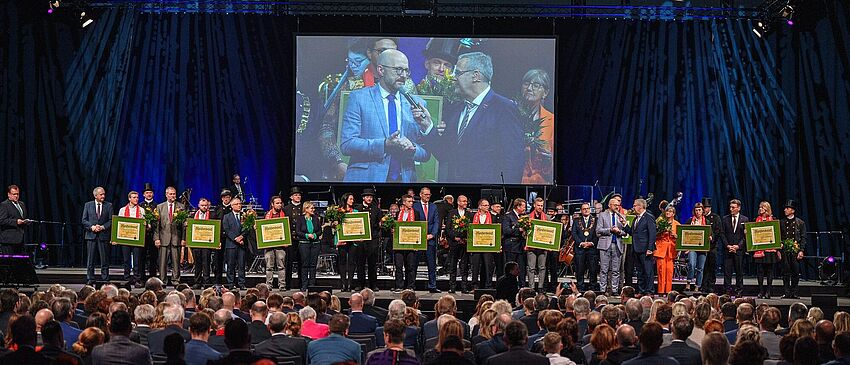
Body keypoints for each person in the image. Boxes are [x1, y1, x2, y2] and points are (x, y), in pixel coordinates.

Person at [420, 51, 526, 184]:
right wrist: (428, 126)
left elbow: (513, 162)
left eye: (457, 73)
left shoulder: (503, 108)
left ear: (476, 76)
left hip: (487, 199)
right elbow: (445, 153)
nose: (452, 77)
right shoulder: (456, 109)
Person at [339, 49, 432, 183]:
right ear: (381, 70)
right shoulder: (359, 98)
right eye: (398, 70)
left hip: (404, 182)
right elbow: (347, 144)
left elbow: (426, 153)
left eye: (407, 70)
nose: (404, 75)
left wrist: (412, 148)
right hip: (366, 180)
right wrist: (384, 144)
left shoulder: (417, 104)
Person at [517, 69, 554, 185]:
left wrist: (549, 159)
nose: (529, 88)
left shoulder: (551, 120)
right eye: (526, 84)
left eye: (536, 85)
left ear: (545, 93)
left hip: (540, 182)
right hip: (514, 180)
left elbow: (553, 157)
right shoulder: (511, 113)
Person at [154, 186, 186, 286]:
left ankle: (175, 281)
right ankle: (162, 281)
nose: (173, 196)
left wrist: (183, 239)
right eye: (171, 194)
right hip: (163, 238)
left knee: (176, 262)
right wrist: (157, 238)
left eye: (174, 194)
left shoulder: (181, 206)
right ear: (166, 194)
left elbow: (184, 226)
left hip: (176, 238)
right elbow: (157, 225)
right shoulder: (160, 207)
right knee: (162, 262)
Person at [596, 197, 627, 295]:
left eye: (618, 205)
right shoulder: (602, 215)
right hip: (605, 245)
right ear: (609, 205)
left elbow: (625, 232)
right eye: (615, 205)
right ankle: (602, 289)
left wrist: (619, 231)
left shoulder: (621, 216)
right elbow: (598, 230)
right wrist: (610, 230)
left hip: (617, 245)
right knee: (604, 269)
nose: (617, 207)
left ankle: (614, 290)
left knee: (616, 270)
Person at [412, 187, 441, 293]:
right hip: (418, 240)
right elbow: (413, 222)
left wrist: (432, 235)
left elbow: (436, 222)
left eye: (429, 194)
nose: (427, 196)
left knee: (431, 264)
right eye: (425, 194)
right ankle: (412, 285)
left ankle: (432, 286)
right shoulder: (415, 206)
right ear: (420, 195)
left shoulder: (433, 206)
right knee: (414, 263)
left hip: (430, 239)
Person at [82, 186, 113, 284]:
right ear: (95, 195)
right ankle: (90, 278)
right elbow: (84, 220)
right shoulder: (88, 205)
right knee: (90, 259)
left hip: (103, 235)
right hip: (91, 235)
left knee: (104, 259)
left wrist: (102, 227)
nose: (103, 196)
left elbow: (111, 220)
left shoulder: (109, 205)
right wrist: (92, 227)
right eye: (101, 194)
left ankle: (105, 278)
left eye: (104, 194)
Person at [356, 188, 383, 290]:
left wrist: (383, 223)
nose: (369, 198)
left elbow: (379, 223)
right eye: (367, 197)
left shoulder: (376, 209)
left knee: (372, 263)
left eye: (371, 197)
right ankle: (360, 284)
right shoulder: (358, 209)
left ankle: (373, 284)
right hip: (361, 238)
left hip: (373, 238)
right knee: (360, 263)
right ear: (363, 198)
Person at [780, 199, 807, 299]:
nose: (785, 210)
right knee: (785, 272)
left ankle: (794, 292)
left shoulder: (800, 223)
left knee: (795, 272)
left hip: (795, 250)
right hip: (785, 250)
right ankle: (787, 292)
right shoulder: (781, 222)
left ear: (793, 210)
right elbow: (779, 237)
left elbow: (803, 237)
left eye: (787, 208)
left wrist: (801, 250)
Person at [721, 199, 749, 295]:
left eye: (733, 207)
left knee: (739, 272)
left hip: (739, 250)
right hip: (728, 250)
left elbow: (745, 237)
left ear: (739, 208)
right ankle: (727, 291)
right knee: (727, 272)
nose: (731, 209)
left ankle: (739, 291)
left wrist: (738, 246)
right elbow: (722, 234)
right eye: (730, 207)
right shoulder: (725, 219)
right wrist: (727, 245)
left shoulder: (745, 220)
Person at [447, 195, 474, 293]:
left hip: (465, 243)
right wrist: (455, 238)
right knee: (453, 265)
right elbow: (448, 228)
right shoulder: (452, 213)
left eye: (466, 201)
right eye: (463, 201)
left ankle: (464, 287)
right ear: (458, 202)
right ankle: (452, 287)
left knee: (464, 265)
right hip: (454, 242)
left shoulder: (469, 214)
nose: (465, 203)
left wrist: (465, 238)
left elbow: (471, 228)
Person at [752, 201, 779, 298]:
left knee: (769, 271)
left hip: (769, 251)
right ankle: (760, 291)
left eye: (762, 207)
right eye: (760, 207)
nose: (760, 209)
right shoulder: (756, 220)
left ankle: (768, 292)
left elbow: (776, 233)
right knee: (760, 271)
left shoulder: (773, 219)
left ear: (767, 208)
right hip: (759, 250)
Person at [336, 192, 361, 292]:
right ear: (345, 199)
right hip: (342, 240)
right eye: (350, 199)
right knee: (342, 262)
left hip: (353, 240)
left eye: (353, 199)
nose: (352, 201)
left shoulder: (355, 211)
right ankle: (343, 284)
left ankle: (350, 284)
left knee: (352, 262)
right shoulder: (339, 211)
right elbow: (336, 226)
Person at [295, 201, 322, 291]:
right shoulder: (300, 219)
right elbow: (298, 231)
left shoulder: (316, 219)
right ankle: (304, 285)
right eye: (311, 208)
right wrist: (307, 235)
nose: (313, 210)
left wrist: (314, 235)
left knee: (313, 265)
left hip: (315, 244)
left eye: (313, 208)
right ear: (306, 209)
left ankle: (312, 285)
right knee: (305, 265)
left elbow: (319, 231)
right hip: (304, 244)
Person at [222, 197, 248, 290]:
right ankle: (231, 284)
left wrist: (242, 236)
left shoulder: (244, 216)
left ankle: (241, 283)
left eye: (240, 204)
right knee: (231, 265)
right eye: (237, 204)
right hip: (231, 245)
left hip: (242, 244)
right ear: (232, 206)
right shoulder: (227, 216)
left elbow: (247, 227)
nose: (239, 205)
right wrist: (235, 238)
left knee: (241, 265)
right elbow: (227, 229)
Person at [470, 199, 496, 290]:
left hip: (488, 245)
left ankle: (488, 285)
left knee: (488, 266)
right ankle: (474, 286)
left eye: (488, 205)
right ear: (480, 206)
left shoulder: (492, 217)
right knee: (476, 266)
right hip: (476, 245)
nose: (487, 207)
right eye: (485, 205)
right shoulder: (473, 216)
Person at [282, 186, 305, 290]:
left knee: (301, 261)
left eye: (299, 195)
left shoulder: (304, 207)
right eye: (296, 195)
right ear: (291, 197)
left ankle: (302, 284)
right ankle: (288, 284)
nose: (298, 196)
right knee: (289, 262)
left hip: (301, 238)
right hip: (290, 239)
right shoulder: (286, 208)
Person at [572, 203, 598, 292]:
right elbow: (574, 234)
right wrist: (581, 243)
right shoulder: (576, 221)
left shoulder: (596, 220)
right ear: (581, 210)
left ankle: (593, 286)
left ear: (590, 210)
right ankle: (580, 287)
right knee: (579, 269)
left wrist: (591, 243)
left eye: (587, 208)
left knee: (593, 268)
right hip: (580, 248)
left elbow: (597, 234)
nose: (586, 210)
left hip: (592, 248)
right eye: (584, 209)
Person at [189, 198, 213, 289]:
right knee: (197, 263)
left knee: (206, 263)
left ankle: (206, 282)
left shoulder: (212, 215)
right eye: (202, 205)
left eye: (206, 205)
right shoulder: (193, 215)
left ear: (208, 206)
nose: (204, 207)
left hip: (207, 244)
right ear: (198, 206)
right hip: (196, 243)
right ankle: (197, 282)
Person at [264, 195, 287, 290]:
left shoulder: (284, 215)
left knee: (281, 266)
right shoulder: (267, 215)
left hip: (280, 245)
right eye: (277, 203)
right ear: (272, 204)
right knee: (269, 267)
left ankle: (282, 285)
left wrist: (287, 241)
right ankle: (269, 285)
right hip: (269, 245)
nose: (279, 205)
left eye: (280, 203)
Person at [700, 198, 723, 293]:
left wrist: (712, 237)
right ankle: (703, 285)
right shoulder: (699, 218)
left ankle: (711, 286)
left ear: (709, 208)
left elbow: (719, 231)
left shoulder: (716, 217)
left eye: (706, 207)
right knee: (703, 267)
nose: (704, 209)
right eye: (703, 207)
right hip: (701, 247)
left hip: (712, 246)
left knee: (712, 267)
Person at [503, 198, 528, 286]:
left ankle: (522, 287)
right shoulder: (508, 216)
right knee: (510, 269)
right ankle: (509, 286)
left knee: (521, 269)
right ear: (518, 206)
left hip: (521, 247)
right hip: (511, 246)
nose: (525, 209)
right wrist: (519, 230)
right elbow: (506, 230)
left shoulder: (523, 217)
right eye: (523, 207)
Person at [526, 198, 549, 291]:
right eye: (538, 205)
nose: (540, 207)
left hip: (543, 247)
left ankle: (540, 287)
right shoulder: (528, 217)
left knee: (542, 268)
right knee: (531, 268)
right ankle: (531, 287)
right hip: (531, 247)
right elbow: (524, 232)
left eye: (541, 205)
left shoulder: (547, 218)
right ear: (534, 205)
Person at [654, 205, 678, 295]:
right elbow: (655, 235)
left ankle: (668, 291)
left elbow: (680, 238)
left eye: (670, 211)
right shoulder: (660, 222)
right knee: (661, 271)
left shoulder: (677, 224)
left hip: (671, 250)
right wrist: (660, 232)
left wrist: (675, 236)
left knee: (669, 271)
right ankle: (660, 291)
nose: (668, 213)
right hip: (661, 249)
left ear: (673, 214)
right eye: (667, 211)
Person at [138, 183, 159, 284]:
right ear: (144, 194)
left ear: (153, 194)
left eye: (150, 192)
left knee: (153, 257)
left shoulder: (157, 206)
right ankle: (142, 278)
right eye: (147, 192)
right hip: (142, 235)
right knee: (141, 257)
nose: (149, 194)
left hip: (153, 235)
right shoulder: (140, 206)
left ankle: (152, 279)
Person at [685, 203, 707, 292]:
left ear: (702, 211)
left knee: (700, 268)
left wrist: (710, 237)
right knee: (692, 264)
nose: (698, 212)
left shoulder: (706, 221)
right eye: (696, 210)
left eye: (699, 210)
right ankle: (688, 283)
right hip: (692, 247)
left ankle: (697, 286)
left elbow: (711, 233)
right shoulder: (690, 221)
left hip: (702, 248)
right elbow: (684, 233)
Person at [0, 185, 29, 254]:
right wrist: (16, 222)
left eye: (17, 194)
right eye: (14, 194)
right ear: (9, 194)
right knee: (9, 263)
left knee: (20, 262)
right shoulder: (4, 205)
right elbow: (1, 220)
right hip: (9, 240)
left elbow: (22, 218)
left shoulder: (22, 204)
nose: (16, 196)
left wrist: (26, 222)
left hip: (21, 239)